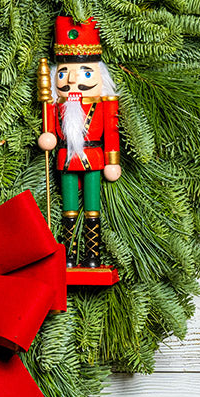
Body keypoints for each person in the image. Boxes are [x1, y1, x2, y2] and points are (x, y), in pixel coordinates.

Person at [37, 16, 121, 269]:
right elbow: (50, 130)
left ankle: (92, 255)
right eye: (64, 73)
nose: (74, 81)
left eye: (85, 73)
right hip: (66, 160)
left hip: (94, 160)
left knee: (92, 209)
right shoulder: (56, 105)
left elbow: (112, 133)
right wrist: (48, 136)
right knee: (69, 209)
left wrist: (112, 161)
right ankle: (70, 255)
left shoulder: (105, 105)